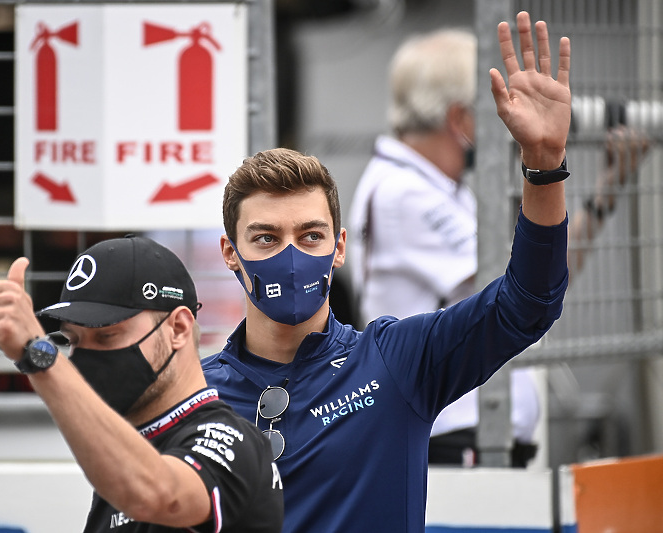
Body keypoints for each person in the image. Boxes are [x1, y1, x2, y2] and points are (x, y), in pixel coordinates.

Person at [201, 11, 570, 531]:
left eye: (310, 236)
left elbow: (528, 302)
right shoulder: (197, 394)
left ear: (340, 248)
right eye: (266, 238)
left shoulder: (396, 362)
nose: (291, 256)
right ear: (229, 253)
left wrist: (544, 163)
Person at [347, 30, 651, 466]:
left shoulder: (437, 187)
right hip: (450, 440)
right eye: (493, 107)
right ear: (460, 119)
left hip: (467, 437)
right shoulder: (405, 192)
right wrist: (542, 164)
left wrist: (603, 190)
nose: (506, 119)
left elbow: (540, 276)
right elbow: (521, 287)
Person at [0, 235, 283, 533]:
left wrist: (38, 357)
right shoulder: (128, 456)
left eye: (107, 336)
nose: (85, 357)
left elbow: (159, 495)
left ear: (178, 328)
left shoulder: (233, 440)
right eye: (72, 341)